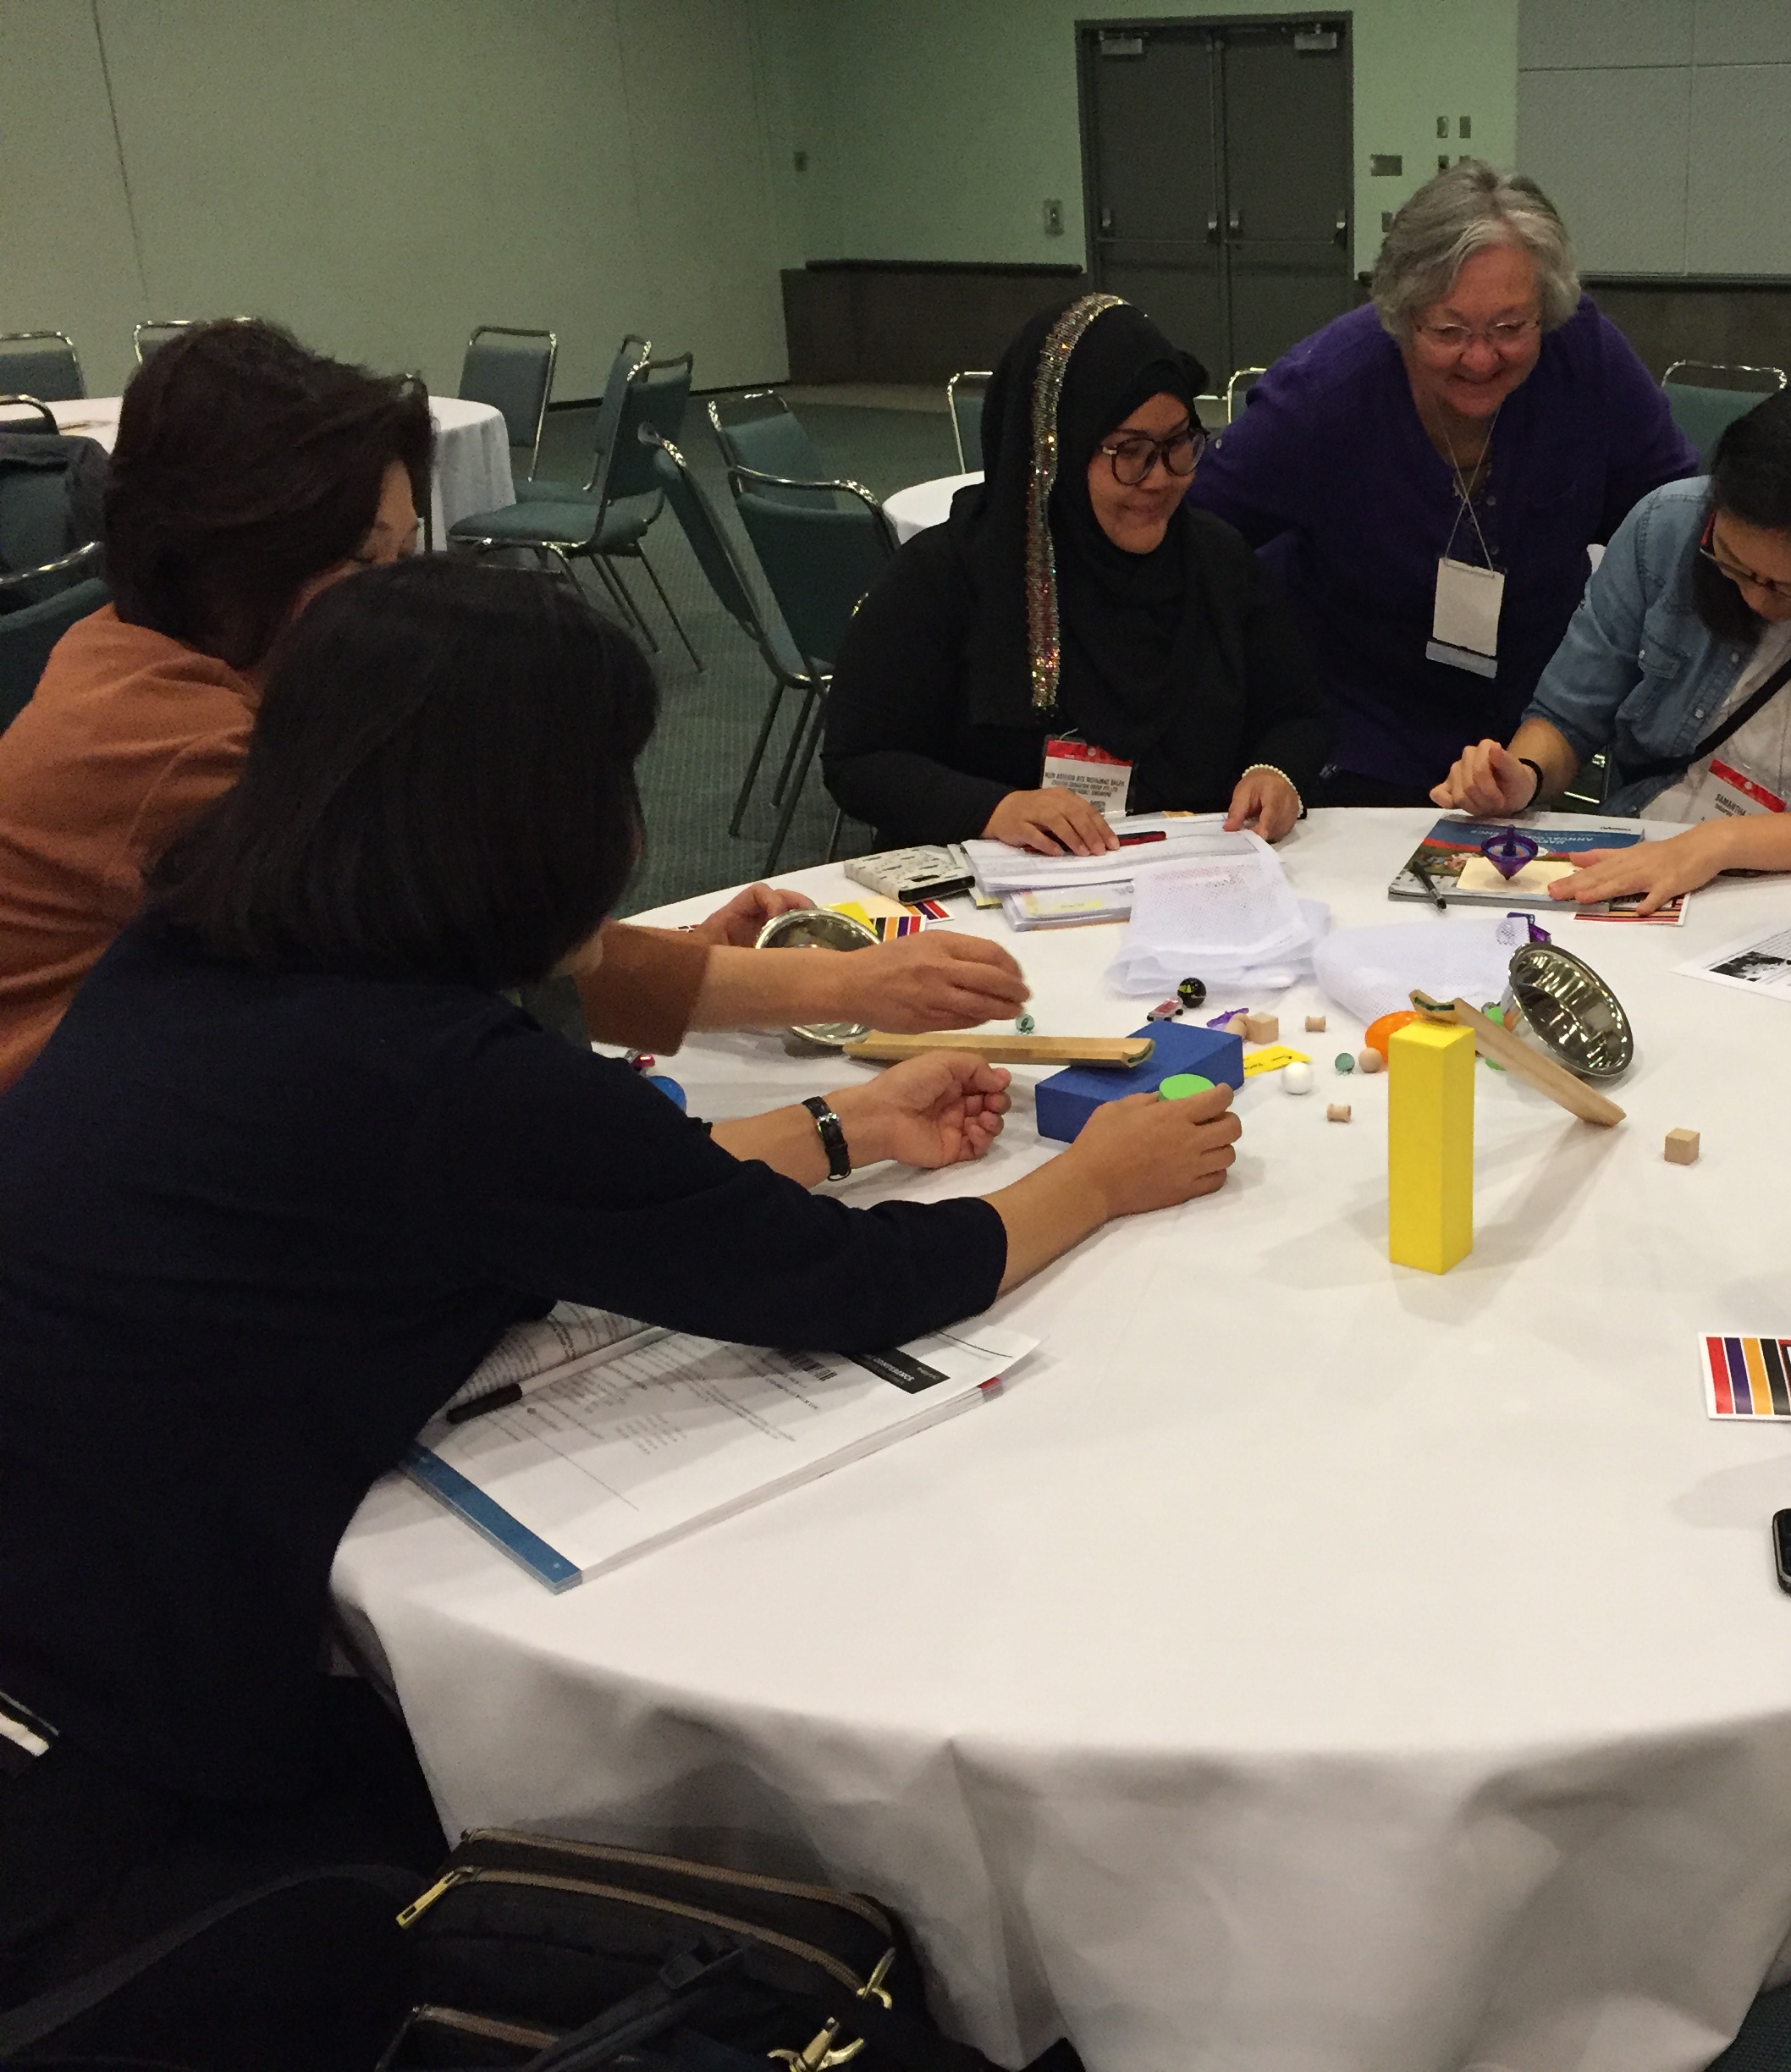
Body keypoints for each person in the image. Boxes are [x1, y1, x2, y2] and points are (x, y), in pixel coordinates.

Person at [0, 559, 1240, 2002]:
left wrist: (852, 1123)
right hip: (124, 1740)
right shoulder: (446, 1077)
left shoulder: (206, 948)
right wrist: (1093, 1176)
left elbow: (594, 1203)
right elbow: (839, 1282)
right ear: (526, 821)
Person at [0, 319, 1027, 1095]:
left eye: (408, 555)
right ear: (239, 556)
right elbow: (460, 973)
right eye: (368, 563)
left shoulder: (152, 653)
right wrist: (839, 995)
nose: (401, 596)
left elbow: (480, 950)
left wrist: (680, 964)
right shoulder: (190, 756)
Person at [1190, 160, 1698, 806]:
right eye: (1449, 331)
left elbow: (1672, 521)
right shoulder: (1325, 395)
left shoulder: (1585, 360)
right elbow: (1203, 534)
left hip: (1533, 732)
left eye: (1511, 328)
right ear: (1402, 315)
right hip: (1356, 731)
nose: (1482, 358)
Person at [1430, 385, 1791, 908]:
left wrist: (1720, 843)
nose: (1755, 601)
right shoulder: (1665, 525)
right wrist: (1523, 774)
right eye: (1732, 564)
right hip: (1655, 841)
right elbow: (1567, 715)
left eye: (1790, 589)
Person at [822, 294, 1331, 856]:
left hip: (1189, 877)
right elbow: (862, 762)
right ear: (1053, 457)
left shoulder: (1216, 562)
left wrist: (1275, 771)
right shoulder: (948, 575)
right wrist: (995, 808)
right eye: (1129, 451)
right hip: (1000, 886)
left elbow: (1299, 713)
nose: (1160, 478)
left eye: (1179, 444)